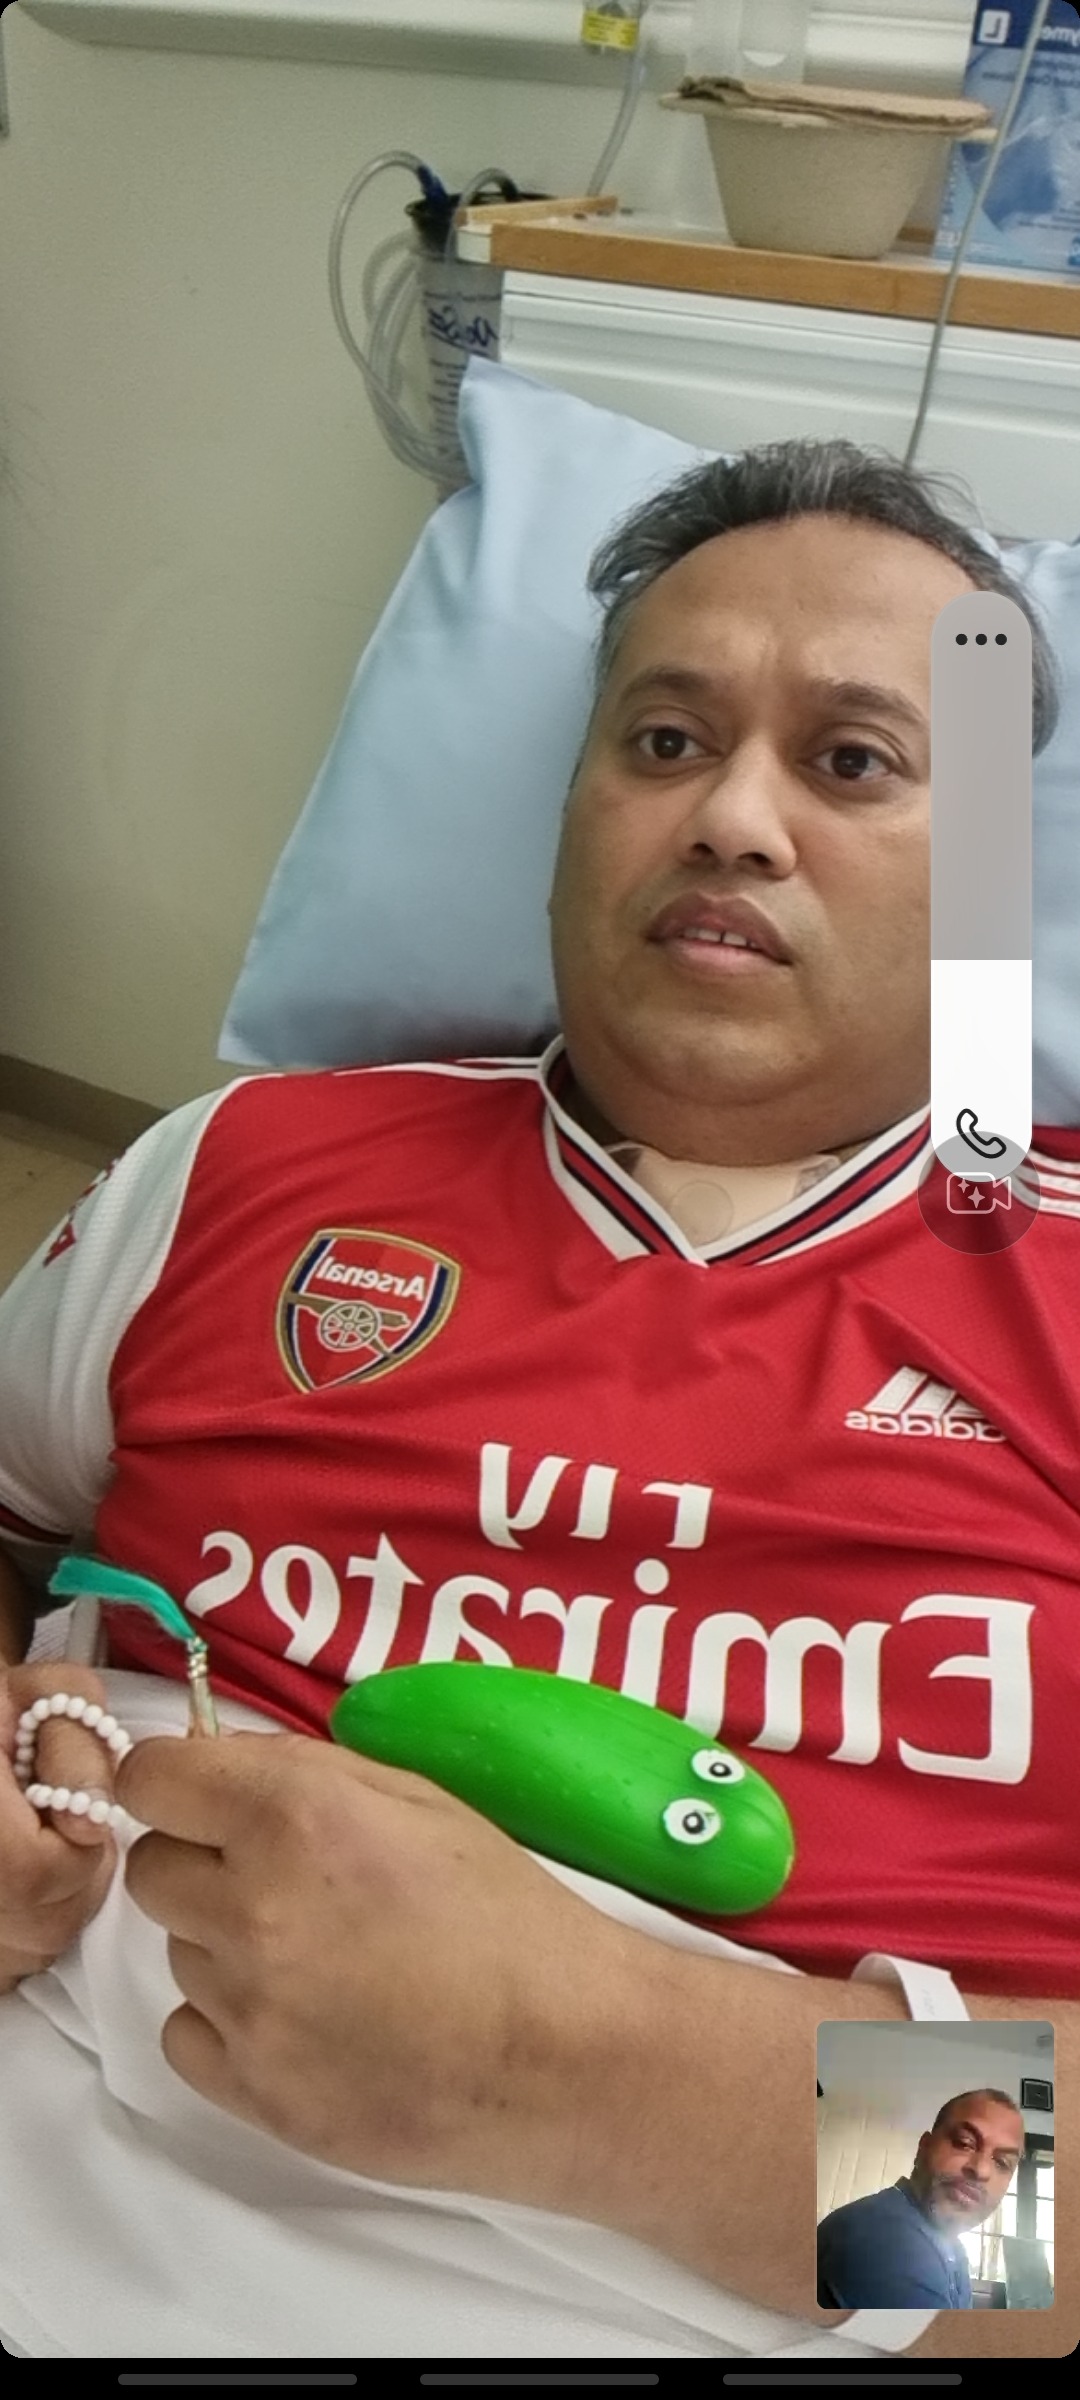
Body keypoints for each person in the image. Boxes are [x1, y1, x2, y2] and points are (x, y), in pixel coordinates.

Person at [0, 438, 1075, 2362]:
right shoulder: (237, 1171)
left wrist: (595, 2076)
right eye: (665, 741)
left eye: (853, 762)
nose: (732, 817)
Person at [817, 2086, 1025, 2310]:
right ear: (924, 2147)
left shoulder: (951, 2246)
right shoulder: (888, 2241)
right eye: (965, 2143)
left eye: (1002, 2163)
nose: (981, 2170)